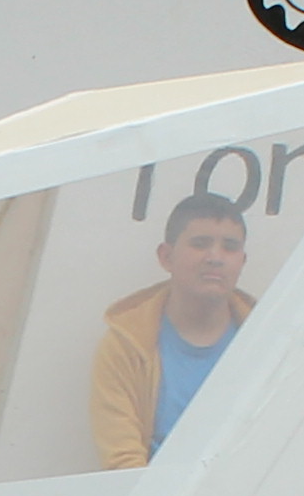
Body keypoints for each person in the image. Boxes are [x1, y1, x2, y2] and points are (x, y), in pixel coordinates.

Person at [88, 189, 254, 467]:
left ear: (242, 261)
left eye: (229, 247)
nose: (215, 257)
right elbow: (121, 461)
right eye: (200, 244)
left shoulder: (271, 340)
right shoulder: (125, 345)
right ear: (166, 257)